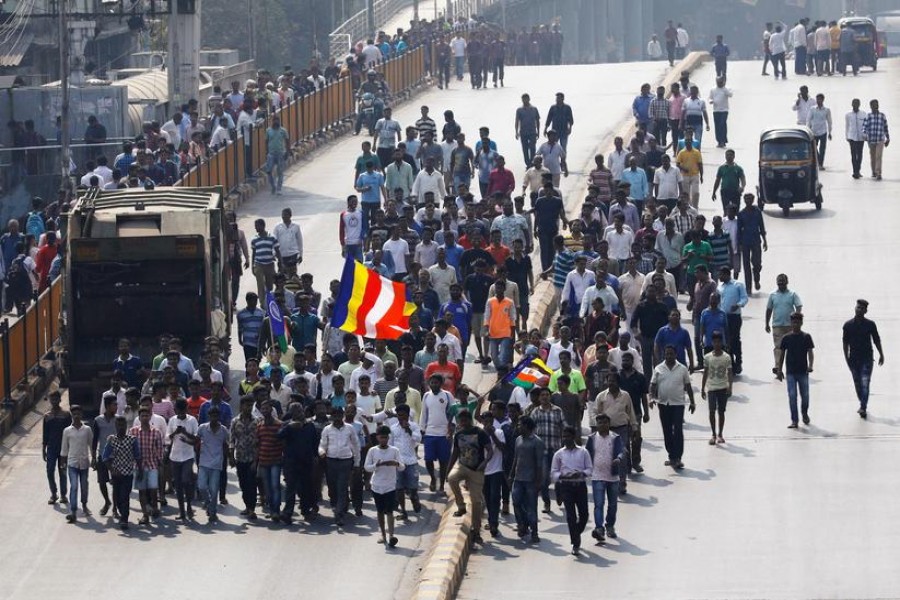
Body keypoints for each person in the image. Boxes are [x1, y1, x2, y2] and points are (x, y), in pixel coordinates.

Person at [447, 409, 492, 546]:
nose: (463, 422)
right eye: (461, 420)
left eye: (465, 420)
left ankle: (476, 530)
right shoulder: (459, 434)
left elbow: (490, 450)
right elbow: (455, 453)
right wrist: (448, 470)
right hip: (462, 465)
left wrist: (484, 463)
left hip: (477, 469)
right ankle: (461, 506)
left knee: (476, 501)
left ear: (469, 420)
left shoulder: (480, 433)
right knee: (452, 478)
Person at [650, 345, 695, 470]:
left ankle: (678, 458)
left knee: (678, 430)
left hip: (678, 404)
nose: (669, 356)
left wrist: (692, 402)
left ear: (676, 355)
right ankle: (671, 456)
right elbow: (652, 385)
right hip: (663, 404)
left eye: (671, 354)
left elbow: (688, 386)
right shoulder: (658, 368)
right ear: (664, 354)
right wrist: (651, 398)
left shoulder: (682, 369)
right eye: (667, 354)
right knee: (667, 431)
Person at [550, 426, 591, 555]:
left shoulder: (583, 452)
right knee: (571, 516)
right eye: (564, 436)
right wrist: (563, 476)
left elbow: (590, 469)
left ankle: (576, 532)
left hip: (580, 486)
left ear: (573, 437)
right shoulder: (559, 454)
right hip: (566, 487)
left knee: (584, 515)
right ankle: (575, 543)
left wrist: (580, 474)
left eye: (568, 436)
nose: (565, 439)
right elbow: (553, 473)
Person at [318, 406, 360, 527]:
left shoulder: (350, 429)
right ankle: (337, 505)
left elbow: (356, 445)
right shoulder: (327, 429)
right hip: (330, 461)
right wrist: (322, 452)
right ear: (331, 416)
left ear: (342, 416)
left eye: (339, 415)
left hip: (345, 461)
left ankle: (339, 514)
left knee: (342, 486)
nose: (336, 418)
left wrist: (357, 463)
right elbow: (322, 445)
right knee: (332, 488)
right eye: (334, 415)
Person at [842, 299, 884, 419]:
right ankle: (863, 401)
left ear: (866, 311)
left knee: (865, 382)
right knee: (857, 383)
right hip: (854, 359)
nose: (859, 309)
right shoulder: (848, 325)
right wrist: (846, 358)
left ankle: (863, 407)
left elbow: (876, 340)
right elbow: (845, 343)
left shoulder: (870, 324)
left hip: (867, 359)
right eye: (857, 307)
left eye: (862, 308)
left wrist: (881, 354)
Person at [587, 413, 624, 544]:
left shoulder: (615, 437)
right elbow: (586, 454)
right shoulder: (591, 438)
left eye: (605, 422)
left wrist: (618, 458)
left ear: (609, 424)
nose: (602, 425)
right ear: (596, 425)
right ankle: (599, 528)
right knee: (598, 504)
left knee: (612, 504)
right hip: (597, 475)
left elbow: (621, 450)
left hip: (612, 477)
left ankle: (610, 526)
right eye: (600, 422)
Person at [364, 425, 402, 547]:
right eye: (381, 438)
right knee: (380, 511)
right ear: (377, 438)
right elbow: (367, 467)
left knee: (389, 511)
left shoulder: (394, 450)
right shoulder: (372, 451)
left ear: (388, 438)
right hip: (377, 485)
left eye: (385, 437)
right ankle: (383, 535)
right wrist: (376, 465)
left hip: (390, 485)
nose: (383, 440)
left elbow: (402, 466)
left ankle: (391, 535)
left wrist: (395, 463)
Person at [100, 416, 139, 530]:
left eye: (123, 425)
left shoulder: (132, 440)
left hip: (128, 473)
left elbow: (137, 456)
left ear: (126, 426)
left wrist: (140, 470)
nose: (121, 427)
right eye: (119, 425)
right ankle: (121, 513)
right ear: (115, 426)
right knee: (116, 496)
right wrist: (112, 469)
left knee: (125, 496)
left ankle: (124, 519)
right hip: (116, 474)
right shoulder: (112, 439)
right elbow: (105, 457)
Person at [776, 313, 815, 429]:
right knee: (792, 396)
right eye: (793, 322)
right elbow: (782, 354)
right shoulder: (786, 338)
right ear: (791, 323)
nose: (795, 324)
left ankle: (804, 413)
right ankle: (794, 420)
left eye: (798, 322)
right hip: (790, 372)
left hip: (803, 372)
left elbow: (810, 352)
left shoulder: (806, 337)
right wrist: (779, 370)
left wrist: (811, 365)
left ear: (801, 323)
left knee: (805, 396)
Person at [511, 415, 544, 543]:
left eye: (520, 424)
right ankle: (522, 524)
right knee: (516, 502)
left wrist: (539, 481)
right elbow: (515, 458)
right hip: (518, 478)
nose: (518, 426)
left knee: (531, 507)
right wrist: (511, 474)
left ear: (526, 426)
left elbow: (540, 464)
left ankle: (534, 532)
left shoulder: (537, 442)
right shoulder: (518, 440)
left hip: (531, 480)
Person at [420, 374, 453, 493]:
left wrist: (450, 430)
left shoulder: (447, 396)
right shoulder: (426, 396)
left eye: (436, 383)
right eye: (432, 383)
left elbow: (452, 413)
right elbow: (424, 413)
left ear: (441, 383)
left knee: (443, 461)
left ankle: (442, 485)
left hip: (444, 434)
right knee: (428, 459)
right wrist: (422, 429)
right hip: (430, 433)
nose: (434, 385)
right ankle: (433, 479)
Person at [167, 398, 199, 520]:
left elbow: (196, 438)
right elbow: (167, 437)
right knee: (178, 484)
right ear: (175, 410)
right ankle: (181, 511)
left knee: (186, 480)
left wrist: (186, 434)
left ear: (187, 409)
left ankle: (189, 505)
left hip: (188, 456)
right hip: (175, 456)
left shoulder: (192, 420)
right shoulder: (172, 420)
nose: (180, 414)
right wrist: (175, 432)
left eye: (183, 411)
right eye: (178, 411)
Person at [61, 405, 94, 523]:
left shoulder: (87, 429)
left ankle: (84, 505)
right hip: (72, 463)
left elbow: (91, 445)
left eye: (78, 413)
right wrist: (63, 463)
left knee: (84, 486)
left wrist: (94, 458)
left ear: (81, 415)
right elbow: (64, 449)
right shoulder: (67, 431)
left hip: (84, 463)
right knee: (74, 486)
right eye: (74, 414)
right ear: (71, 415)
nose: (76, 416)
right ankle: (73, 511)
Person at [765, 274, 803, 374]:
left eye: (783, 283)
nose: (781, 285)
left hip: (790, 326)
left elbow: (798, 306)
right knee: (778, 347)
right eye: (779, 283)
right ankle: (778, 367)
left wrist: (797, 319)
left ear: (787, 282)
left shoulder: (792, 294)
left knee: (792, 347)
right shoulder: (773, 295)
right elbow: (769, 309)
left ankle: (793, 366)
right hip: (777, 325)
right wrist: (767, 323)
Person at [701, 331, 732, 445]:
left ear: (722, 342)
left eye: (719, 342)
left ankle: (720, 434)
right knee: (711, 411)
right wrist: (702, 387)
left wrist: (730, 387)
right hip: (712, 388)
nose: (717, 344)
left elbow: (729, 373)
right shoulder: (707, 357)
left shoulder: (726, 357)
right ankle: (713, 434)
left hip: (723, 387)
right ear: (712, 343)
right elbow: (705, 372)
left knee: (721, 411)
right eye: (715, 342)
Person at [42, 391, 71, 505]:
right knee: (50, 471)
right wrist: (43, 448)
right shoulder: (47, 416)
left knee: (62, 471)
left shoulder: (66, 415)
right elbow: (45, 434)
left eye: (56, 399)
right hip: (51, 448)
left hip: (63, 448)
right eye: (52, 399)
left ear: (60, 400)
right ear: (50, 400)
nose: (54, 401)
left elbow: (70, 432)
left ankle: (63, 495)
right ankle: (54, 493)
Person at [737, 193, 767, 292]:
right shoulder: (741, 214)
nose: (748, 201)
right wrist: (739, 244)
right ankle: (748, 287)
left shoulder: (757, 212)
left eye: (750, 199)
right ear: (744, 201)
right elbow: (738, 230)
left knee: (757, 263)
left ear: (753, 200)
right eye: (746, 199)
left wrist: (765, 241)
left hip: (756, 240)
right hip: (745, 241)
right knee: (746, 265)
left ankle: (757, 279)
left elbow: (761, 226)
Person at [862, 100, 889, 181]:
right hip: (871, 140)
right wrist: (865, 135)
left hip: (880, 139)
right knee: (873, 156)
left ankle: (878, 173)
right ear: (871, 106)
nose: (876, 106)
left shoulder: (882, 116)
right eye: (874, 105)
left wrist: (888, 138)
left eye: (877, 104)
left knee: (878, 156)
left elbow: (885, 127)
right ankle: (873, 171)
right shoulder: (868, 116)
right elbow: (864, 127)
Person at [264, 117, 290, 195]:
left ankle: (279, 188)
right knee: (269, 171)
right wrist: (267, 152)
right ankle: (273, 186)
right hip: (271, 154)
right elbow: (266, 141)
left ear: (279, 121)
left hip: (280, 153)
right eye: (274, 120)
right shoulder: (268, 131)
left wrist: (287, 152)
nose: (276, 122)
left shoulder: (283, 131)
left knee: (280, 172)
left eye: (277, 120)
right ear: (272, 121)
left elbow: (287, 141)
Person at [515, 93, 541, 168]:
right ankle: (527, 163)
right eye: (523, 99)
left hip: (532, 131)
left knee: (532, 147)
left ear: (529, 99)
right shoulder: (519, 110)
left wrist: (538, 131)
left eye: (526, 99)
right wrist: (516, 132)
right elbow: (517, 121)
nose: (525, 100)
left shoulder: (534, 109)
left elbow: (537, 120)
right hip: (523, 132)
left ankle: (532, 162)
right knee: (525, 148)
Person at [807, 94, 833, 168]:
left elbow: (829, 121)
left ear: (823, 100)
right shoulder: (812, 109)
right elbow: (808, 120)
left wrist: (830, 132)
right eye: (817, 99)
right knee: (813, 148)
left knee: (822, 149)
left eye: (819, 99)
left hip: (823, 132)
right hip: (814, 131)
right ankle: (818, 160)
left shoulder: (827, 110)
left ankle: (821, 164)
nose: (818, 101)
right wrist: (808, 129)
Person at [846, 99, 868, 180]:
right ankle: (855, 171)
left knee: (859, 155)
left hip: (861, 138)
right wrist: (847, 136)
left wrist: (866, 135)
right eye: (854, 103)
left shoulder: (863, 114)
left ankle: (858, 170)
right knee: (853, 155)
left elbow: (866, 126)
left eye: (857, 103)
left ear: (859, 104)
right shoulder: (848, 115)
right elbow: (847, 126)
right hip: (852, 137)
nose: (855, 105)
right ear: (852, 104)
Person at [708, 77, 732, 149]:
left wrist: (725, 89)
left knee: (722, 124)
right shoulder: (713, 89)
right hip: (716, 110)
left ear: (723, 82)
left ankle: (723, 140)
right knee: (717, 126)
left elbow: (730, 95)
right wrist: (710, 101)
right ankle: (719, 141)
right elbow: (710, 98)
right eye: (718, 82)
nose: (719, 84)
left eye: (721, 82)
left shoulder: (726, 89)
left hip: (724, 110)